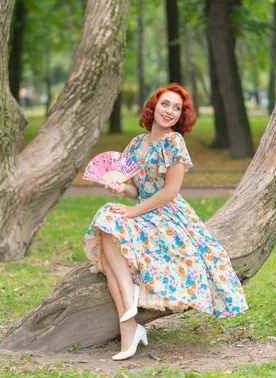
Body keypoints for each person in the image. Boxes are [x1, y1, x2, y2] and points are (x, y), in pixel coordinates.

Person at [82, 83, 249, 361]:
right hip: (144, 209)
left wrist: (134, 212)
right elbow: (135, 189)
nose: (169, 111)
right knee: (106, 220)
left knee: (114, 228)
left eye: (177, 108)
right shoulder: (136, 143)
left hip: (167, 214)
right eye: (165, 104)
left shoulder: (174, 143)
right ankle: (129, 313)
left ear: (181, 116)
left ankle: (128, 324)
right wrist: (121, 190)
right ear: (154, 106)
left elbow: (169, 192)